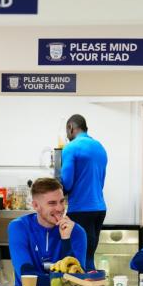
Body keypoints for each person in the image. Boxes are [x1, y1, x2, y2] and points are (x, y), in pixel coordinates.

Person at [7, 177, 87, 286]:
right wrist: (65, 280)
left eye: (62, 201)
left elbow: (78, 279)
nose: (60, 208)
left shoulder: (76, 232)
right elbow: (27, 275)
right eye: (52, 203)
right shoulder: (19, 227)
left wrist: (66, 241)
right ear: (36, 206)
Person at [60, 114, 107, 270]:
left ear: (71, 128)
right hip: (99, 209)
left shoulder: (71, 148)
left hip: (81, 210)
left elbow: (66, 182)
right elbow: (101, 181)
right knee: (89, 255)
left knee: (78, 259)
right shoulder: (100, 147)